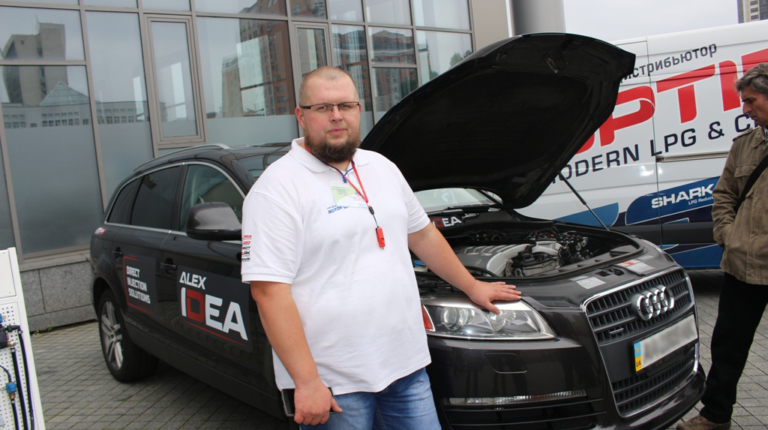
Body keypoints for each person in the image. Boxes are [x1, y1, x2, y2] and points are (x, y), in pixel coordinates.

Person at [240, 66, 522, 429]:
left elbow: (422, 235)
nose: (336, 116)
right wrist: (307, 382)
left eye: (346, 105)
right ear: (301, 115)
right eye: (323, 108)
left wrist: (472, 285)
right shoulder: (276, 189)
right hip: (334, 383)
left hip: (406, 367)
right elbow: (268, 293)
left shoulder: (382, 167)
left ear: (359, 110)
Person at [678, 63, 768, 430]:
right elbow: (724, 195)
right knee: (728, 345)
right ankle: (715, 417)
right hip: (744, 264)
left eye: (752, 101)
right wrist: (729, 236)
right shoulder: (746, 145)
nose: (746, 109)